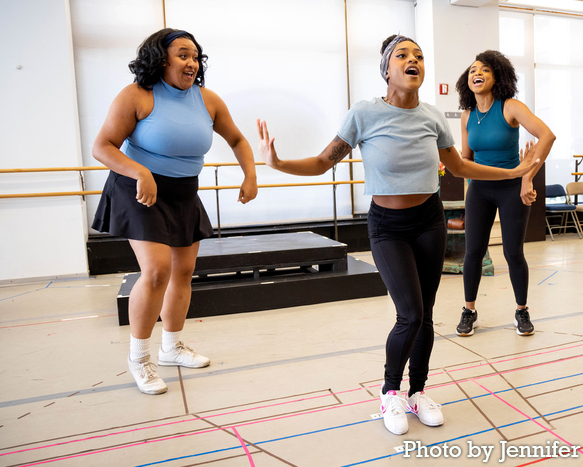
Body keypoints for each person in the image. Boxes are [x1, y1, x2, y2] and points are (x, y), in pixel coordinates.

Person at [257, 35, 538, 435]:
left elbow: (460, 168)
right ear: (387, 69)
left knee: (425, 317)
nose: (413, 61)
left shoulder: (432, 117)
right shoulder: (364, 114)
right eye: (403, 55)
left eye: (419, 56)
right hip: (387, 227)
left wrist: (513, 173)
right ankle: (390, 392)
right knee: (409, 314)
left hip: (429, 222)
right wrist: (278, 162)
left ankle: (418, 392)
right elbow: (323, 162)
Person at [91, 29, 258, 395]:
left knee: (183, 271)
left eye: (196, 57)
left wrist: (250, 173)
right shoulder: (137, 96)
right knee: (156, 271)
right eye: (183, 55)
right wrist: (140, 172)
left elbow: (237, 139)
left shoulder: (207, 99)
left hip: (184, 192)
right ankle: (139, 358)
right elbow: (102, 146)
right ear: (161, 59)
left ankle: (172, 347)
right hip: (140, 190)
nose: (192, 63)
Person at [454, 50, 555, 338]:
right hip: (479, 190)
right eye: (473, 69)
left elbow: (547, 136)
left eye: (485, 69)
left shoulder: (510, 106)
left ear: (497, 76)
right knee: (473, 251)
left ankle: (522, 311)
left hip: (512, 189)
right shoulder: (467, 115)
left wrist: (527, 177)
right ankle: (469, 310)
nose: (478, 73)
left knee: (513, 253)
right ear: (467, 80)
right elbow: (466, 157)